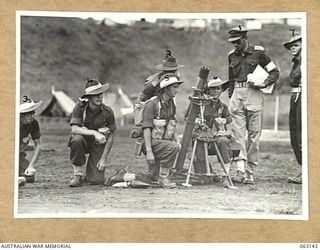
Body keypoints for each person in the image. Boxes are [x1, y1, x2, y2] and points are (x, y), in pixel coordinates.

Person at [227, 25, 280, 184]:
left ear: (245, 38)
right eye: (233, 42)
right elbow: (231, 78)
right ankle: (240, 170)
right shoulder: (231, 55)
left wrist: (264, 84)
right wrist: (231, 95)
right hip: (237, 94)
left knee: (254, 136)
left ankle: (250, 171)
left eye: (237, 42)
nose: (235, 45)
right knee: (237, 136)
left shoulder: (259, 53)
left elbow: (275, 72)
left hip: (254, 94)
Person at [68, 79, 117, 187]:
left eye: (100, 94)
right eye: (95, 95)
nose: (99, 97)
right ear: (89, 97)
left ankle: (90, 175)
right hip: (82, 142)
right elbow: (74, 129)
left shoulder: (107, 112)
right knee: (77, 139)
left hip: (98, 145)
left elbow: (111, 135)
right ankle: (78, 174)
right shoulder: (79, 107)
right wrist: (94, 133)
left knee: (96, 180)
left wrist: (104, 158)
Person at [192, 77, 234, 187]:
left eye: (218, 88)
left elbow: (229, 126)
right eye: (213, 88)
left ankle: (224, 175)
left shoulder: (223, 107)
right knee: (205, 181)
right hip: (202, 140)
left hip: (216, 140)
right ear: (208, 90)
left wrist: (226, 133)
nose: (215, 91)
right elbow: (189, 122)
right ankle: (207, 173)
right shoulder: (200, 105)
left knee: (224, 141)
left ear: (221, 90)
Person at [141, 75, 182, 188]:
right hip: (151, 143)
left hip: (163, 143)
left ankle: (122, 177)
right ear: (166, 88)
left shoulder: (171, 104)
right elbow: (146, 128)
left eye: (177, 87)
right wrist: (149, 151)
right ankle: (163, 177)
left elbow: (172, 124)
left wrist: (177, 140)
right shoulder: (152, 103)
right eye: (174, 87)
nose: (177, 90)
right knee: (172, 147)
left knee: (151, 177)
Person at [283, 30, 302, 184]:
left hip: (303, 97)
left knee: (302, 135)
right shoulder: (296, 62)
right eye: (291, 46)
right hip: (295, 97)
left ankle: (306, 172)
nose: (292, 48)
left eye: (296, 45)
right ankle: (303, 169)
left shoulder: (308, 61)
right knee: (294, 135)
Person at [19, 96, 43, 187]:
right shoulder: (12, 121)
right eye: (28, 113)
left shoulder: (34, 123)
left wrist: (31, 166)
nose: (32, 116)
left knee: (29, 177)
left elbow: (38, 146)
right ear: (21, 114)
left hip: (19, 154)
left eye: (33, 112)